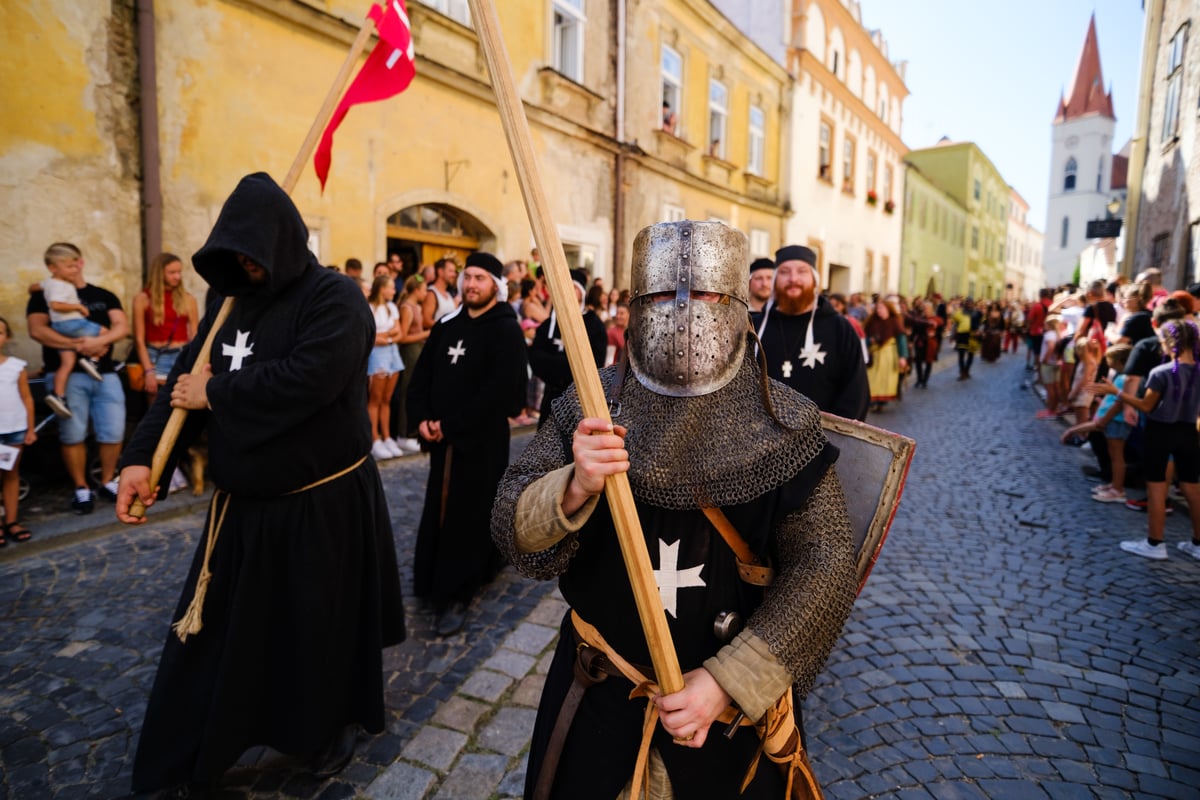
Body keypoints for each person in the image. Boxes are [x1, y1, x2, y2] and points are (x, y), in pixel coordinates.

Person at [492, 221, 858, 799]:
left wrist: (730, 680)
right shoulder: (589, 404)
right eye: (663, 295)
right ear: (637, 305)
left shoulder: (784, 422)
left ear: (736, 303)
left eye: (705, 294)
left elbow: (826, 562)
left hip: (728, 718)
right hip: (597, 690)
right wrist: (573, 486)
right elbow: (512, 527)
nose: (684, 311)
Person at [114, 172, 405, 794]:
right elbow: (182, 388)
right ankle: (193, 749)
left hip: (319, 506)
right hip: (242, 512)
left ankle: (326, 728)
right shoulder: (227, 303)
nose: (245, 267)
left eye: (253, 256)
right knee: (217, 636)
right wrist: (142, 461)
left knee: (315, 633)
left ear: (283, 242)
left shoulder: (335, 298)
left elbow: (311, 378)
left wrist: (217, 392)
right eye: (234, 257)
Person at [406, 251, 528, 636]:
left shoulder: (505, 330)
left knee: (470, 514)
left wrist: (451, 425)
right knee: (439, 509)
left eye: (480, 278)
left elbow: (500, 393)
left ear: (495, 285)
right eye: (468, 277)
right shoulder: (446, 325)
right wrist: (422, 418)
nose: (472, 284)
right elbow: (421, 376)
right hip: (443, 442)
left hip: (481, 444)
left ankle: (458, 592)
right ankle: (432, 579)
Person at [26, 242, 129, 513]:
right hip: (68, 375)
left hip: (105, 374)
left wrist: (100, 341)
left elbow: (121, 326)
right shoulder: (44, 295)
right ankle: (81, 488)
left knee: (113, 430)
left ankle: (107, 481)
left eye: (75, 262)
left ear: (81, 262)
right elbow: (37, 330)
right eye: (66, 264)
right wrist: (78, 345)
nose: (73, 267)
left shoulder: (102, 295)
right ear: (53, 267)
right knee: (72, 434)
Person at [1090, 319, 1200, 561]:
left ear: (1169, 343)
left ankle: (1155, 543)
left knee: (1157, 487)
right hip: (1189, 433)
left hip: (1160, 433)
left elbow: (1146, 406)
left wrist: (1116, 392)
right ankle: (1198, 543)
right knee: (1192, 489)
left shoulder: (1161, 372)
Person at [752, 245, 869, 420]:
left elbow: (856, 395)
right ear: (776, 279)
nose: (793, 279)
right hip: (761, 435)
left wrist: (833, 436)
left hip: (822, 436)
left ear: (814, 278)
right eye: (784, 272)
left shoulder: (840, 329)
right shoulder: (754, 327)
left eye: (802, 271)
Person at [529, 269, 607, 427]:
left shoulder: (593, 324)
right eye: (564, 286)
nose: (568, 291)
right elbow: (536, 357)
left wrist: (558, 366)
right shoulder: (549, 324)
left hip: (580, 398)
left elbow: (595, 362)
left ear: (582, 293)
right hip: (551, 396)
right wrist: (564, 366)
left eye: (573, 287)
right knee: (546, 438)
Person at [40, 243, 108, 416]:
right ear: (52, 268)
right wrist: (78, 307)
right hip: (71, 323)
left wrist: (32, 287)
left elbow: (36, 286)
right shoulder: (60, 285)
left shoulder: (48, 283)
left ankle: (59, 396)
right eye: (69, 267)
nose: (75, 270)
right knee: (104, 333)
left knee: (67, 363)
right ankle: (93, 360)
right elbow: (55, 305)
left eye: (76, 265)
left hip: (59, 327)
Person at [1062, 344, 1133, 503]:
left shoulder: (1124, 379)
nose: (1107, 362)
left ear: (1118, 361)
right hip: (1112, 420)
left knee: (1117, 457)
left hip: (1115, 421)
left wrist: (1105, 418)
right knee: (1113, 456)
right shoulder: (1121, 377)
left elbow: (1119, 403)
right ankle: (1114, 484)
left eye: (1109, 359)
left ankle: (1117, 489)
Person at [132, 252, 200, 399]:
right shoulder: (142, 299)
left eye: (179, 272)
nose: (177, 277)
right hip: (155, 356)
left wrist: (194, 364)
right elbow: (139, 340)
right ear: (159, 273)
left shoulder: (188, 299)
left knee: (180, 401)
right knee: (157, 403)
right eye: (172, 272)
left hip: (180, 354)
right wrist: (148, 371)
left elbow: (195, 335)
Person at [0, 317, 36, 545]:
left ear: (7, 337)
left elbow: (27, 399)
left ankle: (11, 521)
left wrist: (30, 429)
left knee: (11, 474)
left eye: (0, 332)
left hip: (14, 430)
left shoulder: (16, 366)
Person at [367, 274, 406, 460]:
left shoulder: (392, 307)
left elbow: (399, 332)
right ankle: (374, 439)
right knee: (375, 399)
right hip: (377, 355)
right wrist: (386, 335)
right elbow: (371, 336)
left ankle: (387, 436)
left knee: (387, 399)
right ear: (381, 289)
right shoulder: (370, 307)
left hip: (392, 352)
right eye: (391, 287)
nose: (394, 290)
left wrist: (385, 336)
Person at [392, 274, 429, 454]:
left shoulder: (417, 307)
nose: (426, 293)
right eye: (424, 290)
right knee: (406, 391)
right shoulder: (406, 308)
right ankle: (403, 433)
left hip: (418, 350)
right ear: (416, 290)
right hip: (409, 352)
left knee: (416, 390)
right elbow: (403, 337)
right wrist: (426, 333)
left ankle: (413, 430)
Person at [864, 298, 908, 411]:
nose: (879, 310)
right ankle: (872, 401)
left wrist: (902, 357)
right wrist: (870, 340)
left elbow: (901, 341)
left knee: (886, 379)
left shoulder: (895, 322)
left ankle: (881, 403)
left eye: (881, 308)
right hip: (874, 355)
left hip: (889, 355)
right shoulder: (872, 322)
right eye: (877, 308)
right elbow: (864, 338)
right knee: (871, 378)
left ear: (888, 309)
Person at [907, 300, 942, 389]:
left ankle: (925, 380)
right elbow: (915, 330)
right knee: (918, 362)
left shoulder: (936, 319)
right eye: (924, 308)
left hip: (931, 343)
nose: (925, 310)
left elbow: (940, 332)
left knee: (928, 362)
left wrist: (935, 334)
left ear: (931, 309)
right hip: (920, 342)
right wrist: (911, 341)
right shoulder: (920, 319)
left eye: (927, 308)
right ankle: (919, 379)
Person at [422, 257, 459, 329]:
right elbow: (426, 321)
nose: (454, 275)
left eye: (454, 271)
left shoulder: (448, 294)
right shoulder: (431, 293)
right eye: (451, 271)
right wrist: (447, 327)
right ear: (440, 272)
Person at [950, 297, 982, 380]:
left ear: (973, 304)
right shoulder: (959, 313)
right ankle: (962, 372)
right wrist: (952, 335)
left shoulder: (978, 313)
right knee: (961, 355)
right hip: (962, 335)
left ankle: (967, 370)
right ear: (965, 303)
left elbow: (981, 324)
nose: (969, 304)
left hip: (973, 336)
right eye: (967, 302)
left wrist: (979, 331)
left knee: (971, 355)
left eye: (971, 302)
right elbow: (955, 325)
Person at [606, 302, 629, 367]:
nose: (618, 316)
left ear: (629, 314)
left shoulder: (632, 331)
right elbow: (609, 358)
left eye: (621, 313)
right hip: (615, 369)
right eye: (617, 313)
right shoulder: (611, 332)